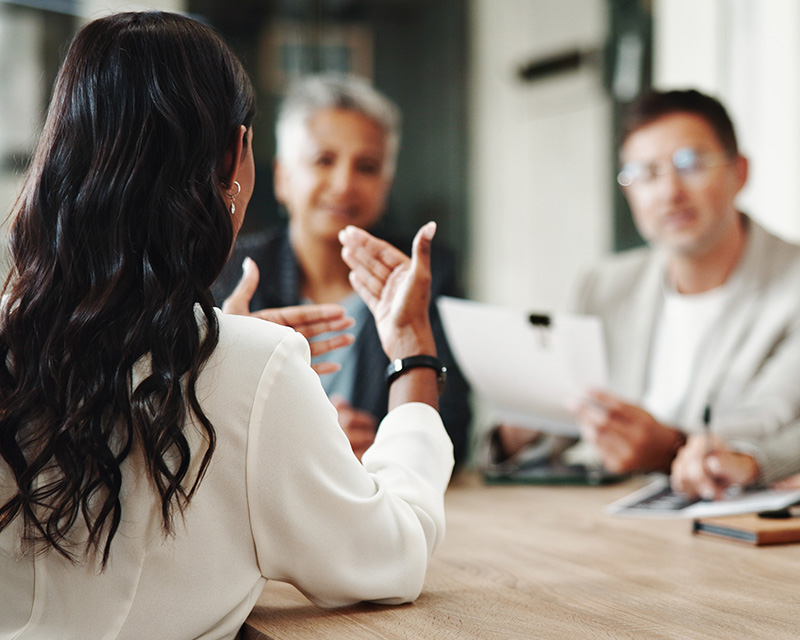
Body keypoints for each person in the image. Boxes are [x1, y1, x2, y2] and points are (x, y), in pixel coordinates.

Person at [0, 12, 454, 639]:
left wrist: (225, 355)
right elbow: (393, 556)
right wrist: (414, 357)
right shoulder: (250, 364)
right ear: (240, 157)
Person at [489, 89, 800, 476]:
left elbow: (777, 419)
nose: (670, 193)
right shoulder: (604, 284)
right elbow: (564, 431)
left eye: (691, 164)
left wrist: (671, 449)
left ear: (740, 171)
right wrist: (518, 429)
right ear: (629, 192)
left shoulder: (792, 283)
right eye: (647, 174)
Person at [213, 73, 471, 463]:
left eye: (367, 166)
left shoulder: (422, 275)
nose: (344, 183)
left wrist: (381, 446)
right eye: (324, 160)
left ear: (387, 182)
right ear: (282, 177)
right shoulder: (230, 271)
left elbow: (453, 429)